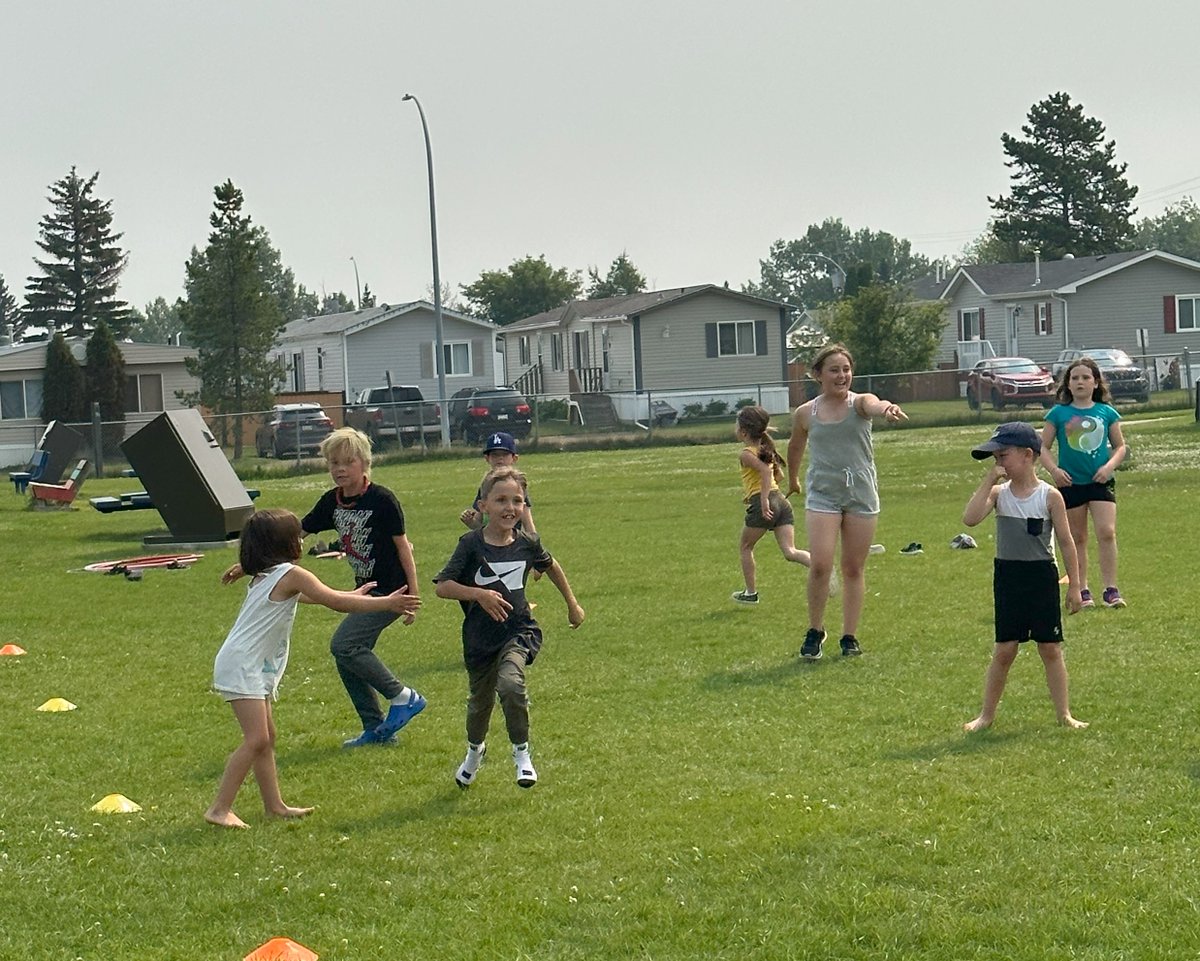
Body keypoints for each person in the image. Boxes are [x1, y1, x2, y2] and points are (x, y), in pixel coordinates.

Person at [206, 509, 420, 828]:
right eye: (296, 536)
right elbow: (333, 601)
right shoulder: (290, 574)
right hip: (243, 666)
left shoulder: (270, 575)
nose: (301, 540)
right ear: (284, 544)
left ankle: (274, 805)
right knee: (255, 740)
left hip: (248, 664)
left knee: (266, 738)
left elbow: (312, 598)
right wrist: (385, 603)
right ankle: (219, 809)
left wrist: (350, 594)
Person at [225, 427, 426, 748]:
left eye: (347, 462)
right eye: (333, 463)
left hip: (391, 592)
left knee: (344, 646)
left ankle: (404, 696)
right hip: (366, 588)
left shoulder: (382, 500)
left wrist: (411, 596)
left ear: (365, 464)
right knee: (347, 655)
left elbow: (404, 547)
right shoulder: (331, 502)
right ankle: (375, 729)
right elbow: (291, 537)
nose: (339, 469)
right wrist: (249, 564)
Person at [434, 467, 584, 789]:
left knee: (511, 685)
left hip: (518, 631)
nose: (510, 507)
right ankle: (475, 752)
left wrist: (572, 604)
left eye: (517, 500)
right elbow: (442, 586)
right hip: (479, 640)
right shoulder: (471, 545)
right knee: (479, 705)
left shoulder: (528, 543)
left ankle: (522, 754)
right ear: (483, 505)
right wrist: (479, 594)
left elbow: (551, 566)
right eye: (501, 499)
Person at [962, 422, 1086, 732]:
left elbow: (1068, 542)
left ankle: (1064, 714)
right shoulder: (998, 493)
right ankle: (986, 716)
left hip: (1041, 575)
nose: (999, 463)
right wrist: (988, 480)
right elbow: (971, 518)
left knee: (1050, 647)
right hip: (1008, 576)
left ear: (1028, 455)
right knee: (1005, 649)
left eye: (1002, 456)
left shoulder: (1050, 496)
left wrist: (1076, 586)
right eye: (996, 459)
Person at [786, 344, 907, 658]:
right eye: (834, 370)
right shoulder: (806, 413)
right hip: (823, 492)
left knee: (853, 567)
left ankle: (849, 637)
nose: (842, 376)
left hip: (860, 493)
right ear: (818, 375)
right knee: (821, 564)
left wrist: (887, 408)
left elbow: (874, 403)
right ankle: (815, 630)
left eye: (846, 369)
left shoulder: (860, 404)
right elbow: (796, 446)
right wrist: (793, 479)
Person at [1040, 357, 1128, 609]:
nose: (1080, 382)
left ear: (1096, 382)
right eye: (1075, 378)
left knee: (1107, 532)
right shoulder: (1058, 413)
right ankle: (1082, 588)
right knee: (1077, 537)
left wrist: (1108, 467)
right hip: (1070, 484)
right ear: (1067, 384)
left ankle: (1111, 590)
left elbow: (1120, 446)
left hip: (1100, 482)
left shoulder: (1106, 412)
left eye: (1085, 377)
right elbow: (1042, 447)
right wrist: (1055, 470)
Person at [730, 405, 826, 605]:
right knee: (790, 551)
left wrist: (763, 500)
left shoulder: (747, 453)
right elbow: (778, 475)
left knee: (746, 547)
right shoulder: (766, 449)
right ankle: (823, 569)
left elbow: (765, 472)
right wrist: (770, 494)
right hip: (781, 501)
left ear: (744, 431)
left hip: (765, 502)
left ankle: (751, 593)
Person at [460, 431, 536, 533]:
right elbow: (480, 525)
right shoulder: (486, 485)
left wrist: (534, 543)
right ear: (487, 458)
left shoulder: (517, 486)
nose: (500, 459)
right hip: (490, 544)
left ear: (514, 458)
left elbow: (527, 521)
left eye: (504, 455)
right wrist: (470, 521)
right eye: (495, 455)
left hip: (512, 542)